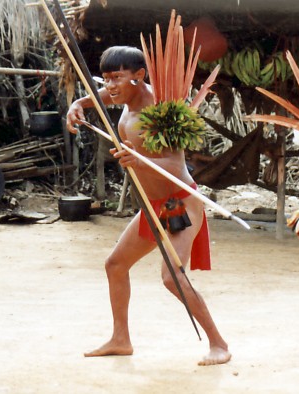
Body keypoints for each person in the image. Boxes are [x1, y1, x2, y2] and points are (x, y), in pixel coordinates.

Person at [66, 46, 231, 366]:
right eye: (107, 78)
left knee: (172, 279)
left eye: (118, 78)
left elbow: (177, 166)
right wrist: (78, 103)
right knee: (115, 264)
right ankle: (120, 339)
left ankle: (219, 344)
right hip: (152, 205)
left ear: (139, 76)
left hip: (179, 203)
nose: (110, 86)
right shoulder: (125, 97)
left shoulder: (161, 111)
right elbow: (104, 97)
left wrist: (140, 160)